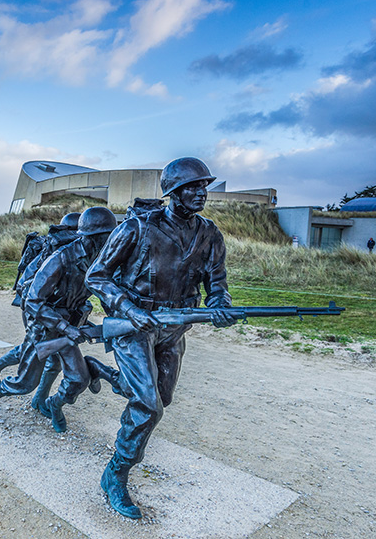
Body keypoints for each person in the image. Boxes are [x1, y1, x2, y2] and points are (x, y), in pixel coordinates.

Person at [85, 157, 236, 519]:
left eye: (203, 186)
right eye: (192, 187)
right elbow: (97, 276)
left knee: (160, 397)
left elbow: (217, 286)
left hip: (174, 328)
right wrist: (128, 308)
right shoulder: (137, 227)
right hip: (135, 326)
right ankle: (116, 473)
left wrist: (220, 307)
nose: (201, 193)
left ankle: (105, 374)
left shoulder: (210, 234)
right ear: (173, 192)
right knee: (148, 406)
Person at [0, 207, 118, 432]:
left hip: (70, 328)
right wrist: (64, 326)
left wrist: (116, 319)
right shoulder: (61, 259)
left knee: (78, 379)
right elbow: (33, 302)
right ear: (92, 236)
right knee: (25, 383)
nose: (112, 241)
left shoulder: (99, 261)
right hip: (45, 328)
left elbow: (105, 292)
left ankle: (53, 404)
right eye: (107, 236)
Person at [0, 213, 81, 414]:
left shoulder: (82, 256)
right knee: (34, 359)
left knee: (50, 359)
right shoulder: (53, 252)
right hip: (40, 314)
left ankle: (38, 398)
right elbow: (26, 287)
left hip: (61, 316)